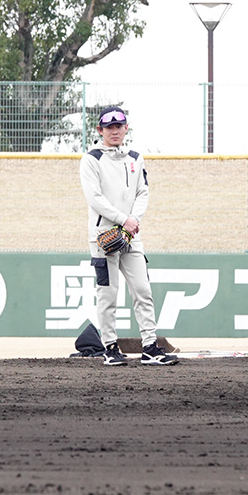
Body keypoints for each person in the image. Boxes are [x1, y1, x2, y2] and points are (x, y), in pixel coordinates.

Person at [78, 106, 178, 366]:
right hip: (104, 234)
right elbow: (95, 199)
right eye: (109, 127)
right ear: (100, 130)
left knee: (143, 290)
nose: (114, 131)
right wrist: (125, 220)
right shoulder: (91, 158)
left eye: (119, 126)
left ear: (126, 129)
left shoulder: (135, 157)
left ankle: (150, 347)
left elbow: (142, 192)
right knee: (108, 294)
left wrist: (133, 222)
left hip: (131, 235)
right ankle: (110, 348)